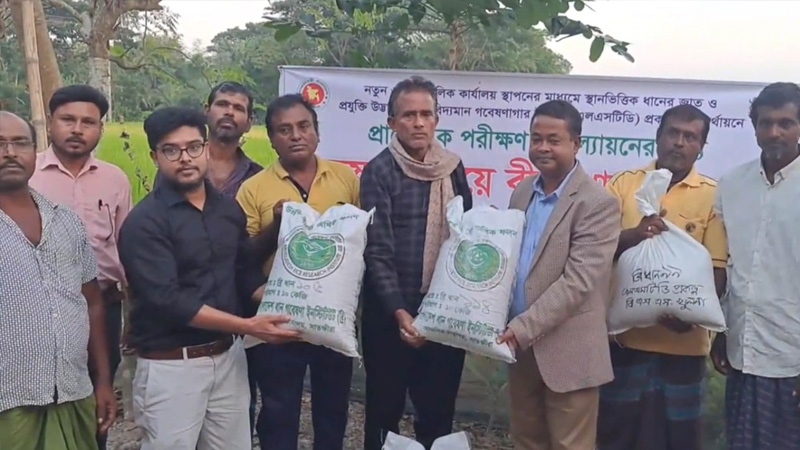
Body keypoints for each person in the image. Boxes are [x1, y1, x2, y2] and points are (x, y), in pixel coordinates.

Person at [118, 107, 300, 450]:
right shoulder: (144, 224)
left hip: (228, 358)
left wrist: (293, 302)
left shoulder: (227, 210)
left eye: (193, 147)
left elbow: (243, 272)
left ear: (206, 148)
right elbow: (169, 301)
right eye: (172, 150)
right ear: (155, 156)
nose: (185, 158)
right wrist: (248, 326)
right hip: (173, 366)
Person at [597, 104, 728, 450]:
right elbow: (595, 248)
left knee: (679, 440)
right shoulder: (624, 185)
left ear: (701, 146)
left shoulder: (713, 196)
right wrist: (634, 235)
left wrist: (690, 317)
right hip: (624, 343)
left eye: (690, 137)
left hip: (684, 349)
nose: (679, 142)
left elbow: (717, 271)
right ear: (658, 137)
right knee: (616, 437)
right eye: (673, 133)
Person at [236, 94, 360, 450]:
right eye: (284, 130)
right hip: (278, 318)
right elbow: (242, 256)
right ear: (271, 139)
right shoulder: (254, 189)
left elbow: (359, 244)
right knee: (278, 410)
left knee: (333, 407)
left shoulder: (345, 179)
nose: (296, 136)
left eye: (304, 126)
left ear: (317, 132)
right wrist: (277, 224)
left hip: (332, 317)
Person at [496, 100, 620, 450]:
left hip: (569, 353)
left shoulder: (597, 203)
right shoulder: (523, 192)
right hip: (520, 350)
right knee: (526, 441)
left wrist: (521, 329)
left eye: (554, 140)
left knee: (570, 445)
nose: (543, 147)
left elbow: (577, 283)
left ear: (576, 144)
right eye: (536, 139)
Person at [360, 76, 473, 450]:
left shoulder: (453, 168)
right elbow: (377, 251)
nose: (419, 123)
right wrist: (400, 313)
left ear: (437, 119)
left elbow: (465, 238)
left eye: (426, 114)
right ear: (392, 123)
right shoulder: (379, 171)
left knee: (438, 415)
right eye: (409, 115)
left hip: (443, 314)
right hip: (390, 318)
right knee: (383, 414)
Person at [0, 111, 116, 450]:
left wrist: (103, 381)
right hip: (8, 401)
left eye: (20, 143)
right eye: (0, 144)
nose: (10, 152)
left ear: (34, 151)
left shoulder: (66, 222)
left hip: (72, 393)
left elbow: (92, 302)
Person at [28, 87, 130, 449]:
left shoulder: (115, 179)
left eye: (88, 122)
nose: (77, 129)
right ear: (50, 123)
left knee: (99, 397)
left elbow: (124, 247)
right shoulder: (27, 174)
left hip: (103, 305)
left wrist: (133, 313)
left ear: (100, 128)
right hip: (39, 309)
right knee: (39, 398)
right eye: (67, 120)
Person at [712, 82, 800, 450]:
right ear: (754, 126)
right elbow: (728, 264)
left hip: (791, 356)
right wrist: (721, 331)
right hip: (743, 351)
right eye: (766, 123)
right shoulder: (732, 184)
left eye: (785, 123)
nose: (774, 132)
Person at [204, 80, 263, 435]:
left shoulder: (258, 178)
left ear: (249, 122)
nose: (229, 112)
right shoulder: (183, 165)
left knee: (240, 396)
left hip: (241, 300)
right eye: (222, 104)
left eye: (238, 108)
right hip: (187, 298)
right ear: (207, 111)